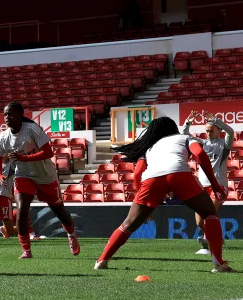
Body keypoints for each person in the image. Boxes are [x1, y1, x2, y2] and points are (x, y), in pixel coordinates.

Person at [95, 117, 233, 272]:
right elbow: (200, 154)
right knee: (209, 214)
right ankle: (219, 264)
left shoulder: (149, 148)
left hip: (151, 179)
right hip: (179, 173)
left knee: (128, 223)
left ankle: (102, 260)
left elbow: (137, 173)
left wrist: (142, 204)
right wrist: (215, 185)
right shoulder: (184, 138)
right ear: (173, 128)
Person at [0, 102, 79, 259]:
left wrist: (23, 158)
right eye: (5, 114)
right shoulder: (4, 137)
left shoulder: (31, 129)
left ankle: (71, 234)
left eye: (10, 114)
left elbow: (48, 152)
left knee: (59, 211)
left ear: (20, 115)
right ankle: (26, 250)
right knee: (21, 210)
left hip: (45, 174)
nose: (7, 117)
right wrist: (0, 177)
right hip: (23, 175)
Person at [183, 110, 234, 255]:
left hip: (219, 186)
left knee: (207, 214)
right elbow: (186, 135)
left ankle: (208, 242)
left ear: (218, 131)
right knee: (199, 222)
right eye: (206, 131)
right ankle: (216, 238)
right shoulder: (202, 144)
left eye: (211, 131)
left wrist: (217, 120)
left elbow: (230, 131)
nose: (208, 133)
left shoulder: (224, 145)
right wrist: (188, 122)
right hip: (203, 186)